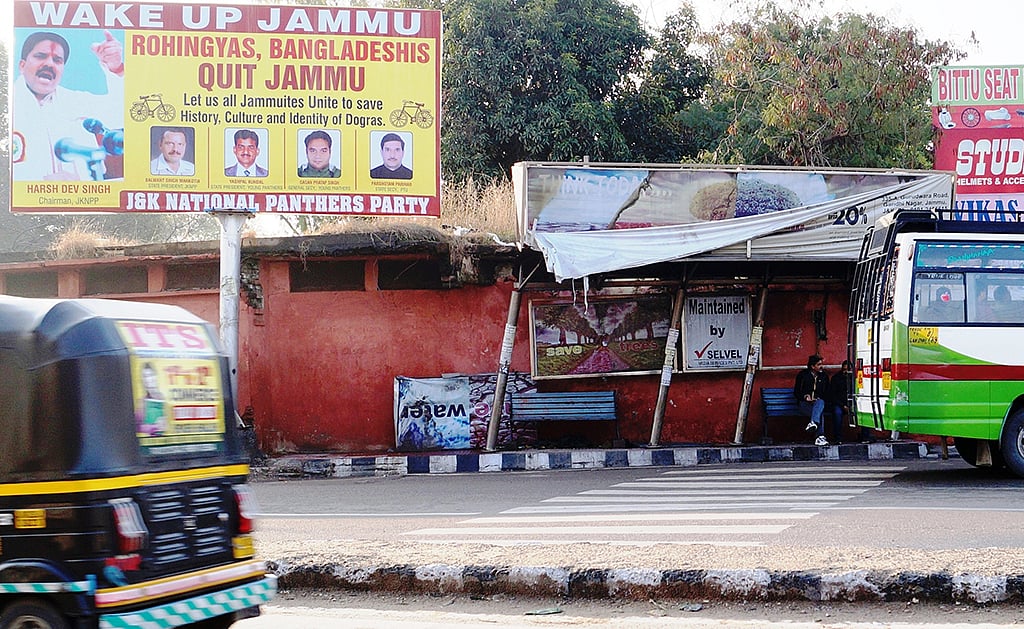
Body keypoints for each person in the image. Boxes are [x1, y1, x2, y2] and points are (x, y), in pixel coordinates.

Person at [12, 30, 125, 181]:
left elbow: (121, 113)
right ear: (22, 65)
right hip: (25, 202)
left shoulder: (75, 101)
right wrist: (41, 182)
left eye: (57, 60)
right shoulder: (7, 108)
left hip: (84, 199)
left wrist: (115, 68)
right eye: (41, 56)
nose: (49, 64)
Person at [794, 354, 829, 446]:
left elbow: (827, 392)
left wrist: (817, 398)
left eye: (821, 364)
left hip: (818, 404)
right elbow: (797, 392)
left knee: (820, 404)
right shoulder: (802, 375)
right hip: (804, 405)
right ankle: (820, 436)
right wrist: (805, 397)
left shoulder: (824, 376)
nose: (821, 366)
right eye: (819, 364)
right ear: (812, 366)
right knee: (818, 412)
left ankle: (813, 423)